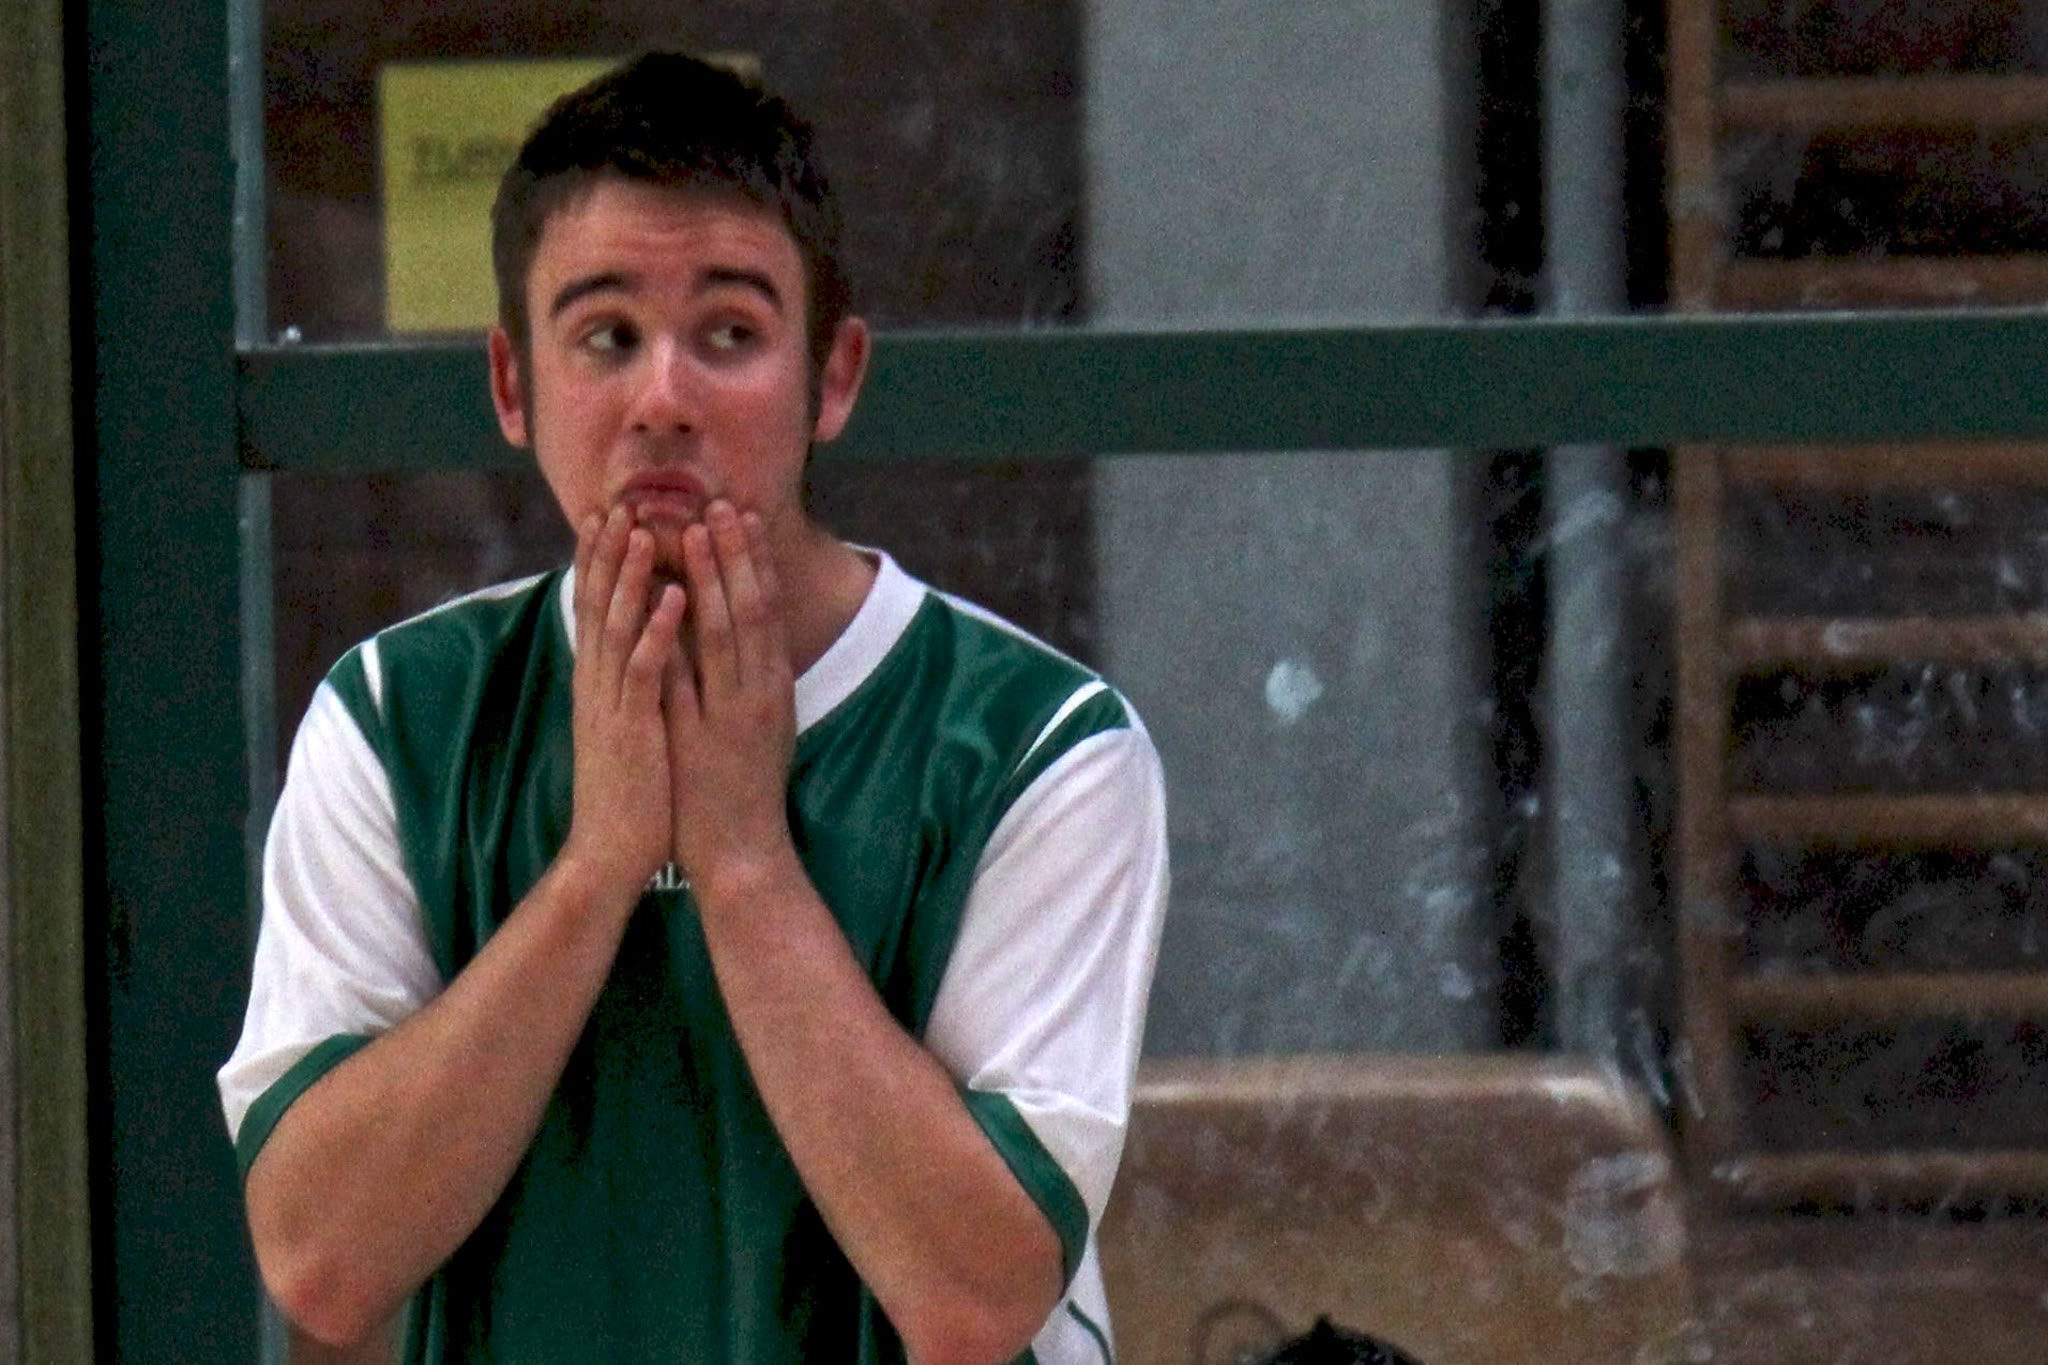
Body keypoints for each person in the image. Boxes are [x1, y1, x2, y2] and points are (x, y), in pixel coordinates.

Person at [218, 51, 1168, 1365]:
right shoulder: (394, 718)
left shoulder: (1041, 745)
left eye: (729, 334)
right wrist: (597, 866)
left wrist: (742, 861)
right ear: (512, 385)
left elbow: (974, 1298)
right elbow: (321, 1262)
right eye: (607, 336)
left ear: (834, 376)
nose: (663, 400)